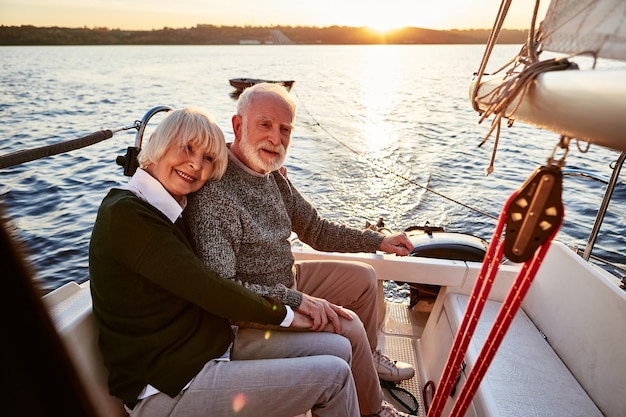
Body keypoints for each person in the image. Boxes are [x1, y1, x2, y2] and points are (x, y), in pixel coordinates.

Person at [89, 106, 360, 417]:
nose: (195, 164)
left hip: (208, 350)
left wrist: (267, 176)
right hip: (167, 387)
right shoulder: (127, 216)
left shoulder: (170, 207)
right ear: (157, 144)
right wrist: (289, 313)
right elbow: (209, 288)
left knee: (338, 347)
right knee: (334, 377)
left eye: (208, 159)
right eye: (187, 148)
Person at [185, 84, 415, 417]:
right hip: (254, 309)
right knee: (347, 326)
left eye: (285, 129)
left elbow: (316, 229)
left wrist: (376, 241)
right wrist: (294, 299)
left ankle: (368, 362)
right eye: (265, 125)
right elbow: (226, 292)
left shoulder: (272, 176)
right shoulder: (216, 194)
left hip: (288, 277)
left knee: (364, 279)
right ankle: (372, 411)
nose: (275, 139)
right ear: (238, 126)